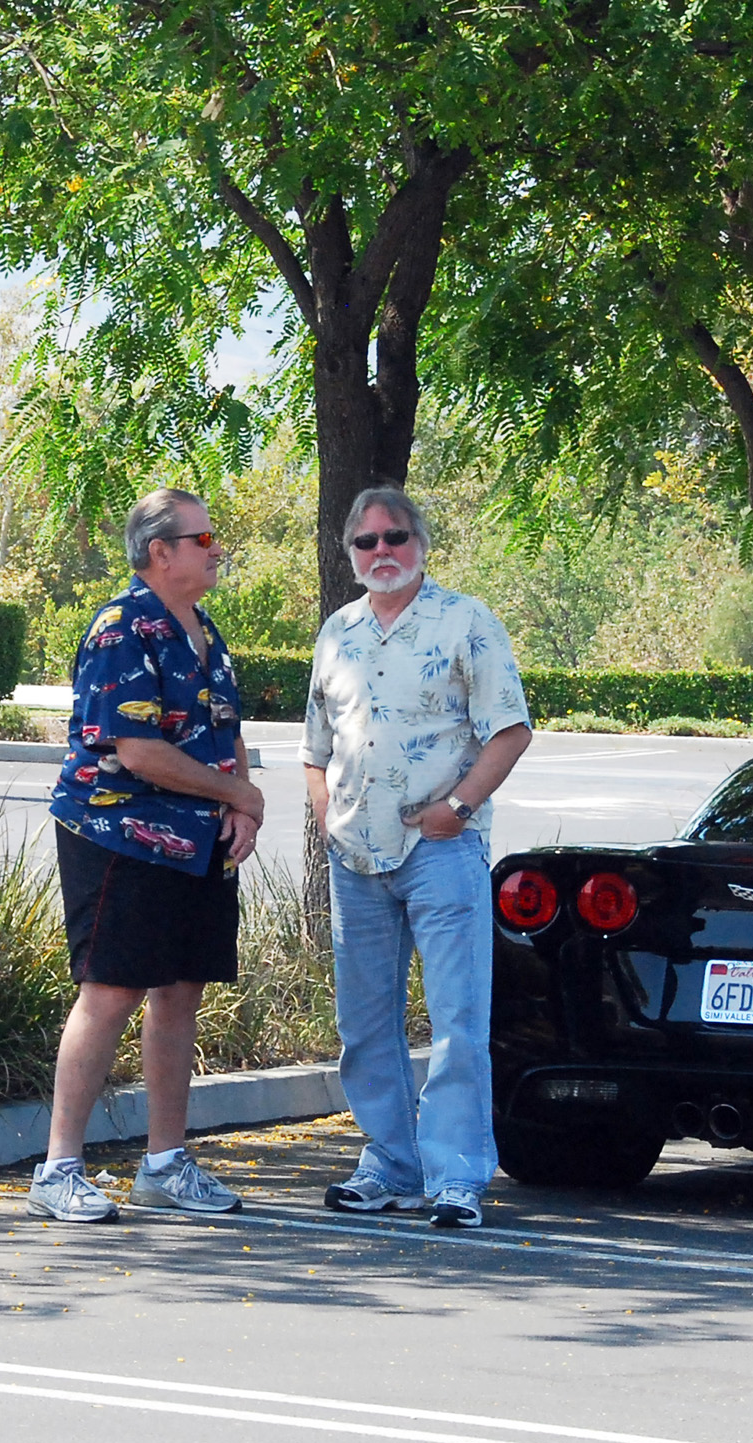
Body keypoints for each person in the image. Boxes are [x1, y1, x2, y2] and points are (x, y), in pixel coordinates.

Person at [27, 488, 264, 1224]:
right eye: (204, 537)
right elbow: (137, 750)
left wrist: (240, 800)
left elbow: (226, 731)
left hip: (197, 847)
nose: (216, 548)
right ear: (160, 551)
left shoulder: (203, 630)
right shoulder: (121, 627)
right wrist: (239, 797)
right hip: (118, 835)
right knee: (110, 993)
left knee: (181, 992)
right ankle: (59, 1168)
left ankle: (165, 1162)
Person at [305, 485, 533, 1229]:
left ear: (421, 543)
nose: (381, 554)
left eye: (395, 538)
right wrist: (324, 816)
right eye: (365, 543)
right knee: (365, 1024)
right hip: (355, 854)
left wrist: (457, 808)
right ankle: (390, 1164)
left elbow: (510, 731)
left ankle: (457, 1176)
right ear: (349, 555)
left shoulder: (468, 622)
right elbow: (315, 749)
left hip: (441, 848)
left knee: (458, 1020)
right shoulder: (338, 632)